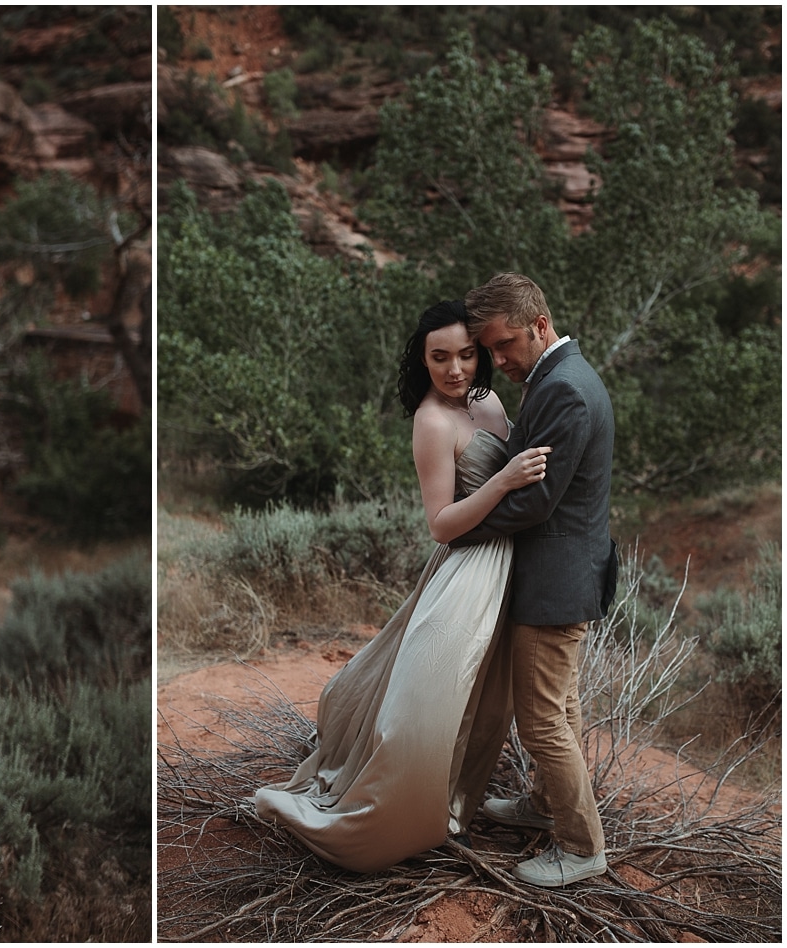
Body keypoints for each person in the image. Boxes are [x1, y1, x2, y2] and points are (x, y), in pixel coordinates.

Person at [252, 298, 553, 873]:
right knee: (435, 696)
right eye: (440, 357)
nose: (455, 369)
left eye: (467, 354)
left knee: (488, 700)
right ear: (422, 360)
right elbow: (440, 522)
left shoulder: (488, 402)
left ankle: (457, 807)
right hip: (466, 566)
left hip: (511, 565)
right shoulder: (431, 420)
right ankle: (410, 809)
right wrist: (506, 481)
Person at [452, 272, 618, 888]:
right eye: (490, 349)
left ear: (540, 325)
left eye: (507, 345)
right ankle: (545, 805)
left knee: (541, 720)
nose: (499, 360)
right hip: (563, 575)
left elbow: (538, 501)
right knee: (563, 708)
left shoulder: (566, 390)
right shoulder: (558, 377)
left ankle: (581, 849)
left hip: (556, 582)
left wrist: (457, 529)